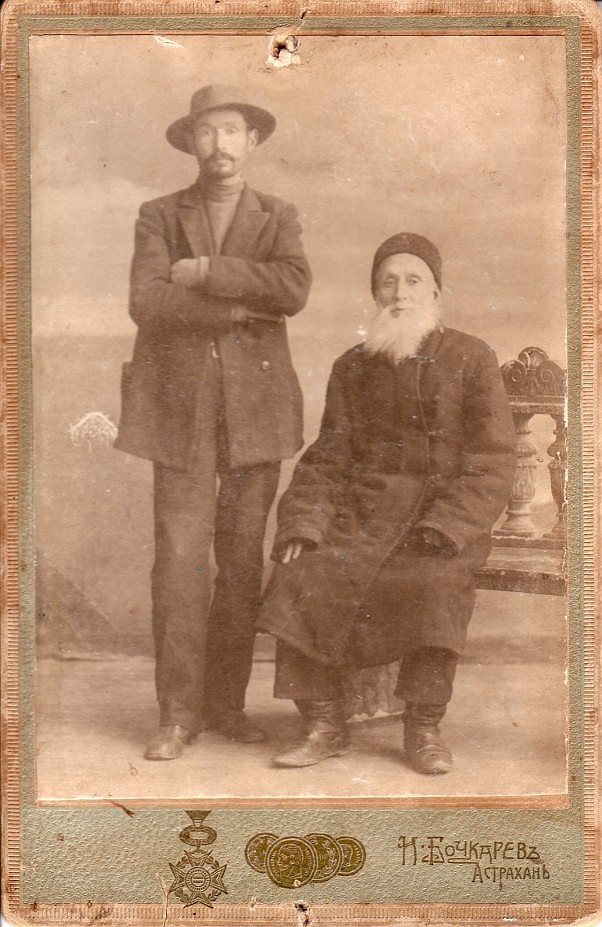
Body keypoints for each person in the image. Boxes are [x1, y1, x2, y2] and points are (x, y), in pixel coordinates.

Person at [257, 233, 516, 775]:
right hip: (362, 515)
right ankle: (324, 723)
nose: (400, 293)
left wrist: (449, 525)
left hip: (439, 519)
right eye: (388, 282)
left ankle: (423, 728)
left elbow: (492, 458)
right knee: (301, 572)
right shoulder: (353, 365)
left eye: (413, 280)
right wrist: (304, 522)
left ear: (436, 291)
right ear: (375, 293)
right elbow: (329, 454)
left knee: (433, 583)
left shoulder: (471, 356)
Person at [115, 85, 311, 759]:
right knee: (179, 562)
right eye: (207, 132)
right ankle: (177, 714)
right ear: (191, 142)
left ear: (251, 140)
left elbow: (293, 289)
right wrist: (233, 308)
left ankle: (226, 704)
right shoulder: (158, 215)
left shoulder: (278, 215)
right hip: (181, 415)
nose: (219, 144)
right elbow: (146, 301)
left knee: (241, 561)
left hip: (256, 415)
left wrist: (204, 271)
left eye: (231, 131)